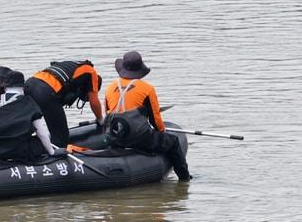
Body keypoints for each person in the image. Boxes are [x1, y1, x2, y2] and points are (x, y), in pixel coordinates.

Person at [103, 51, 190, 180]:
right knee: (173, 142)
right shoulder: (147, 89)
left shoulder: (110, 87)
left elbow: (108, 113)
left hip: (115, 137)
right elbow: (156, 120)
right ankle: (184, 178)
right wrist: (161, 133)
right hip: (138, 137)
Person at [0, 67, 62, 162]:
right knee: (43, 140)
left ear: (5, 86)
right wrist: (52, 151)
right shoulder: (28, 102)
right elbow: (41, 133)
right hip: (16, 151)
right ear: (23, 87)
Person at [25, 60, 103, 150]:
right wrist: (101, 120)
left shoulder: (72, 66)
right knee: (61, 138)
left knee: (26, 129)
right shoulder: (91, 72)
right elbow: (94, 102)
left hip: (29, 84)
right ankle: (51, 157)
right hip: (45, 91)